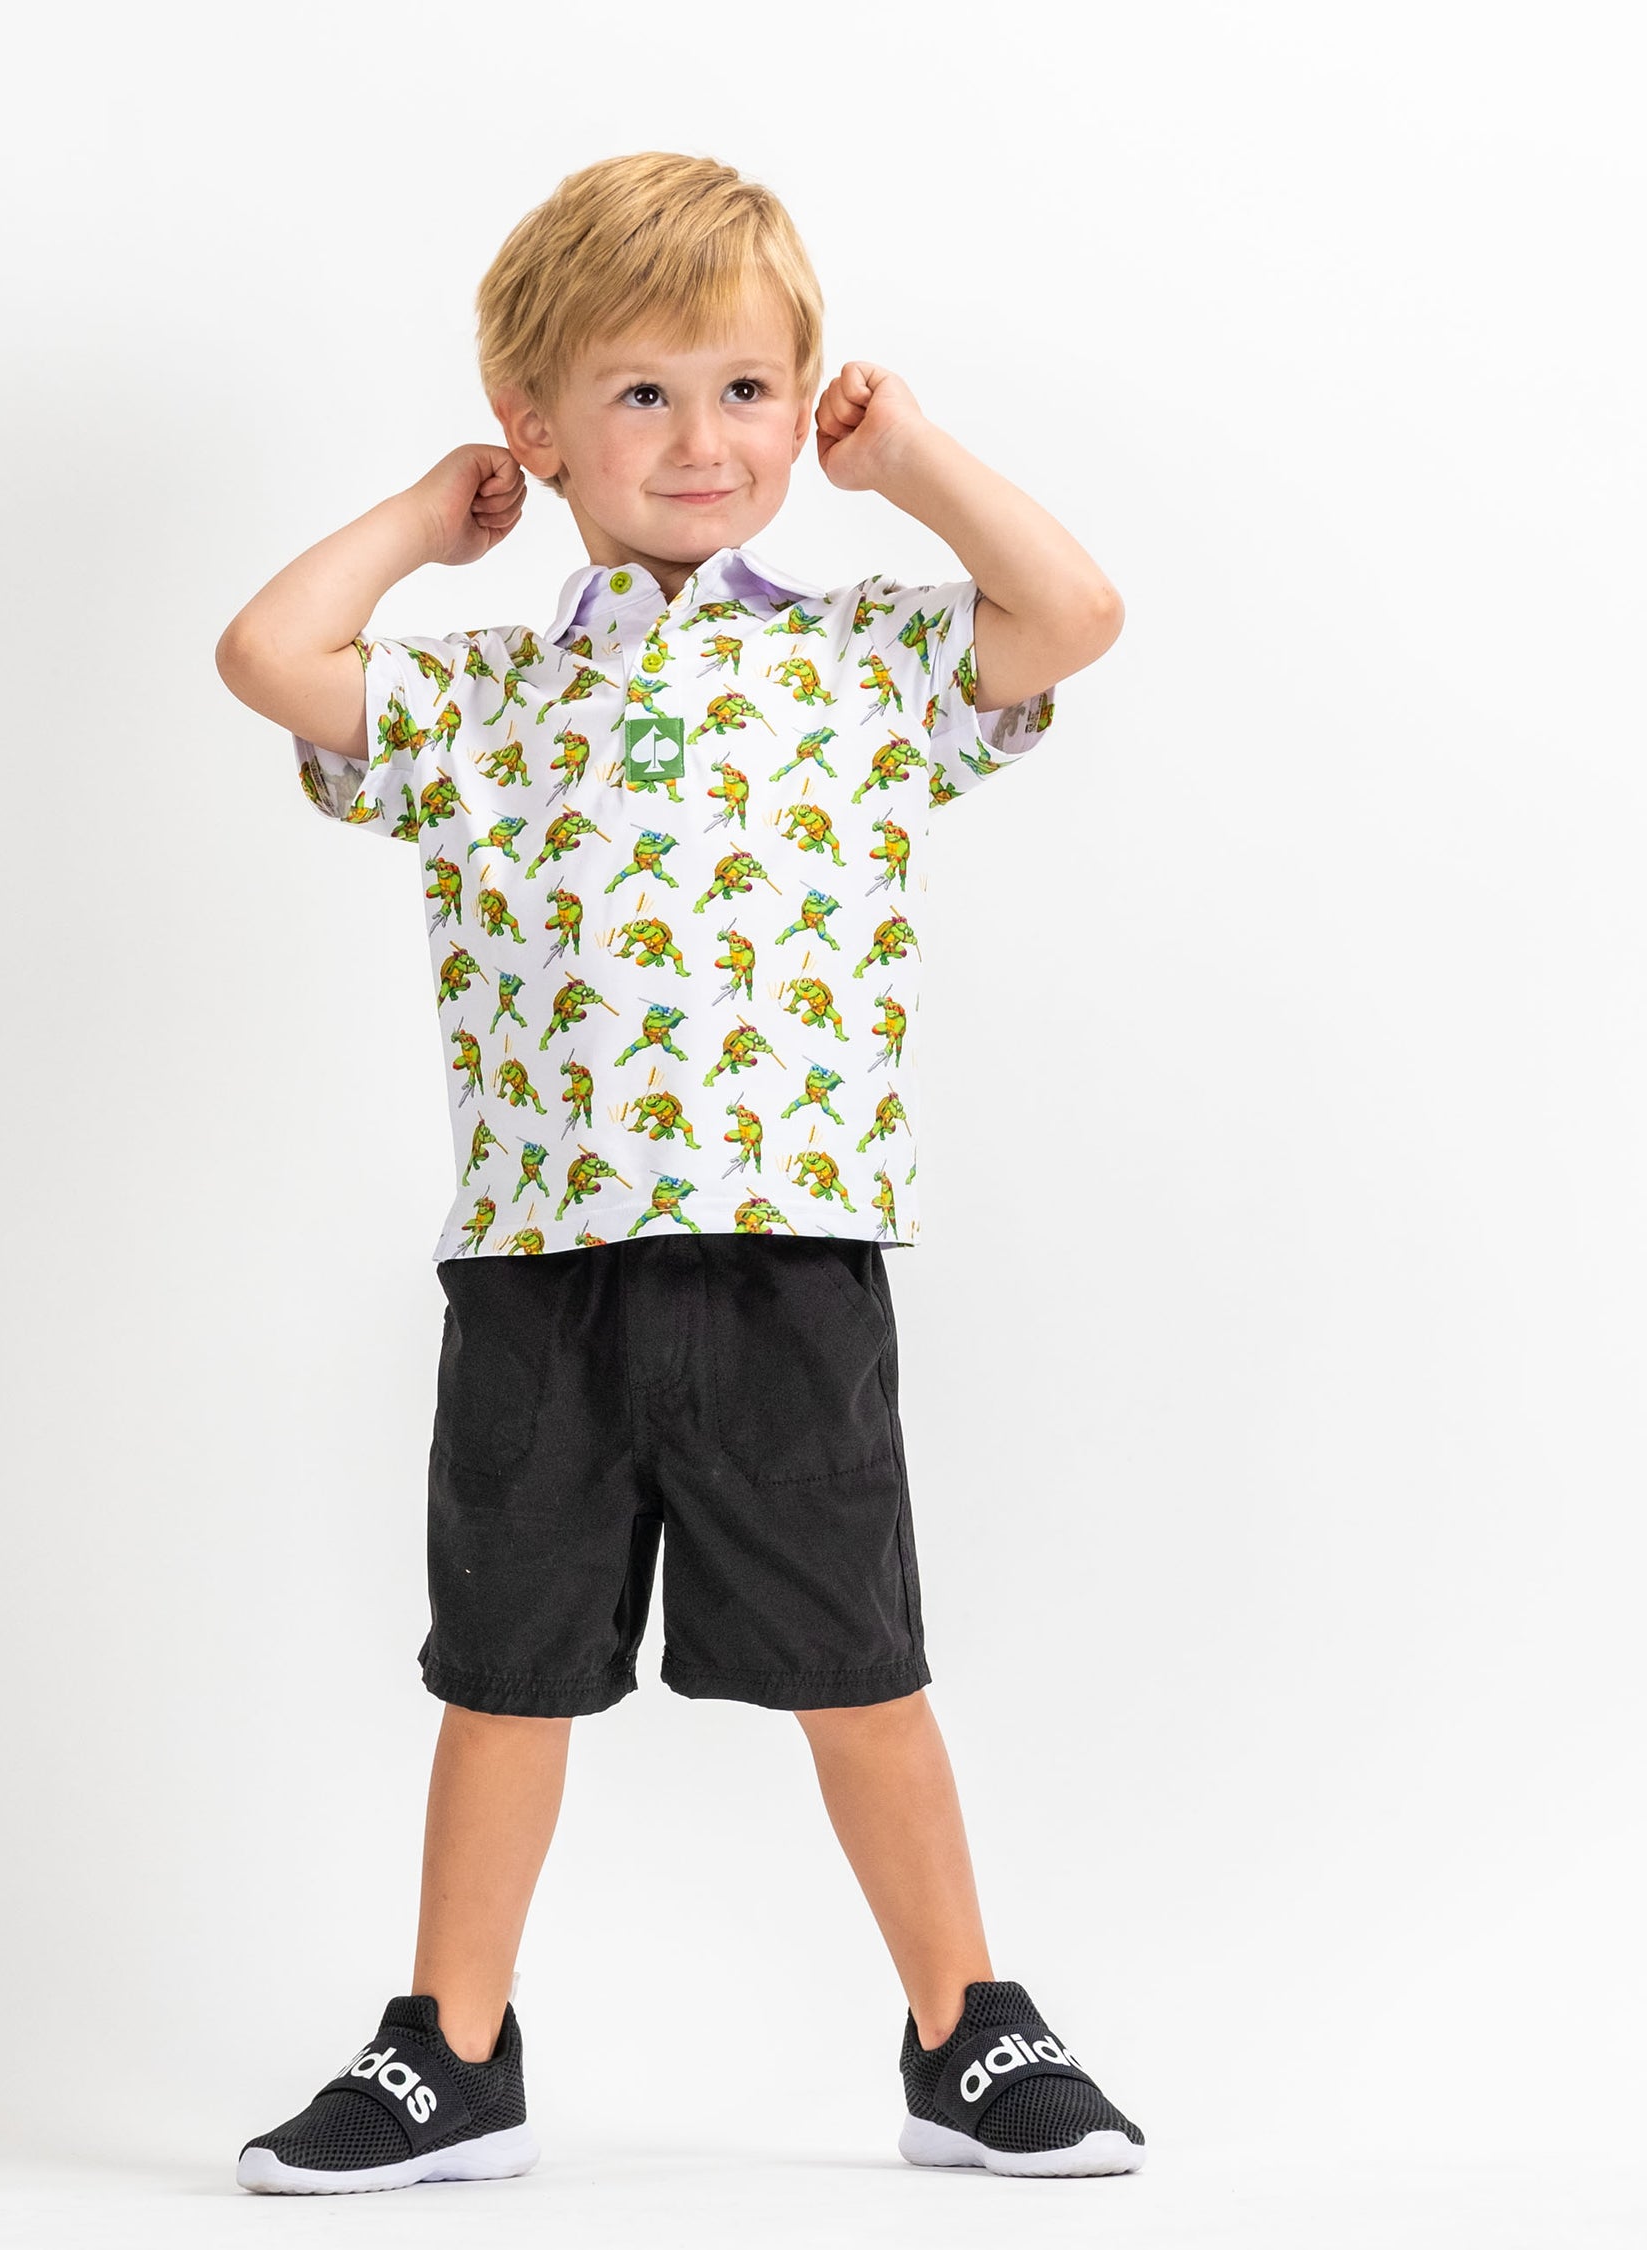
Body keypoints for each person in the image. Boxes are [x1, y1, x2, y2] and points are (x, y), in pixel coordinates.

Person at [213, 149, 1143, 2195]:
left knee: (862, 1667)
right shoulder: (479, 696)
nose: (700, 439)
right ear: (538, 426)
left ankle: (967, 2026)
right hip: (542, 1264)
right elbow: (271, 656)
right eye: (639, 393)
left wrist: (914, 464)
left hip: (787, 1259)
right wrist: (421, 519)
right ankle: (452, 2050)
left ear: (804, 405)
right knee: (505, 1672)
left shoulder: (862, 666)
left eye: (745, 390)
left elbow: (1073, 613)